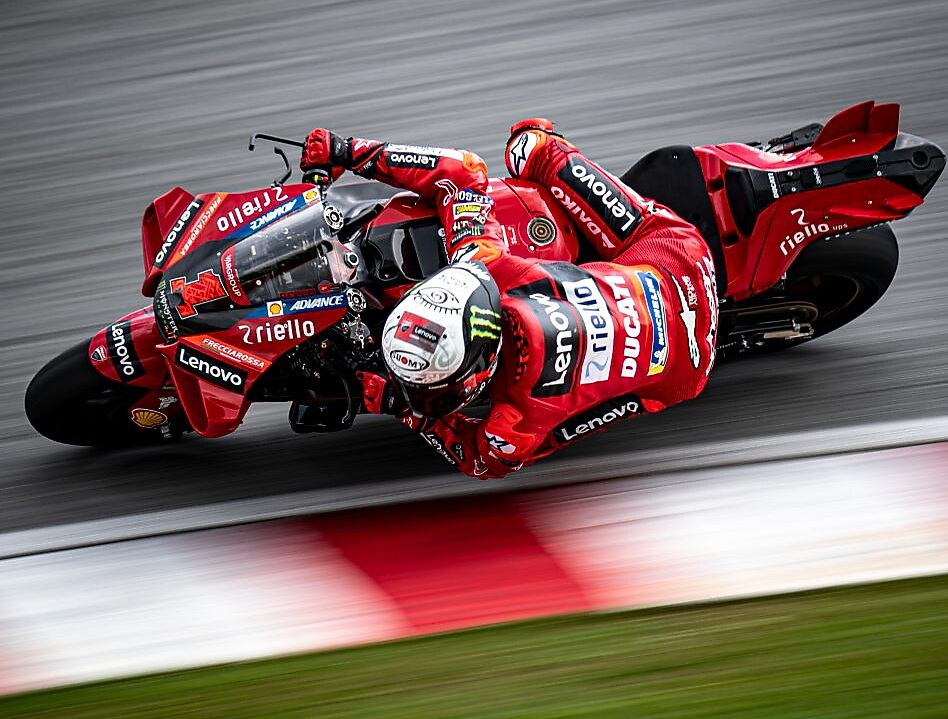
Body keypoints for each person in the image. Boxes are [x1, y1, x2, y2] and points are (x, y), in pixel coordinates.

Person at [300, 120, 719, 479]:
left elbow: (481, 463)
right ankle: (547, 151)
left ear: (478, 369)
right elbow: (463, 171)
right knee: (530, 147)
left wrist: (406, 407)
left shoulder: (519, 414)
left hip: (683, 375)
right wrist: (349, 151)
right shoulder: (488, 269)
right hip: (678, 263)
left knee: (562, 429)